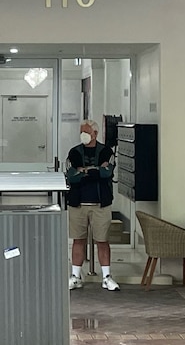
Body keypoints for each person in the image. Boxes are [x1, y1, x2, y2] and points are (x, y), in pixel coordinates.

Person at [65, 120, 120, 292]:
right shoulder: (74, 152)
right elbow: (71, 176)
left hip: (100, 204)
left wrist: (83, 170)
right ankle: (75, 276)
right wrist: (93, 170)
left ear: (95, 133)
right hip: (77, 204)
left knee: (102, 240)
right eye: (81, 131)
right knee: (78, 240)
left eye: (86, 131)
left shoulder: (106, 151)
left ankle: (106, 277)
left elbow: (106, 173)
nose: (83, 134)